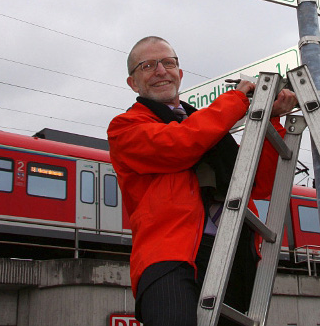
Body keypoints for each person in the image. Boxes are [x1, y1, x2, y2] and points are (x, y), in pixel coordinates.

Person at [107, 36, 297, 326]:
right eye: (147, 66)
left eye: (168, 63)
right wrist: (237, 99)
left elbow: (260, 184)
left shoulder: (208, 125)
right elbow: (180, 145)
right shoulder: (125, 127)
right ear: (133, 83)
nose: (160, 71)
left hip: (233, 252)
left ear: (179, 74)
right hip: (171, 255)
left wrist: (270, 119)